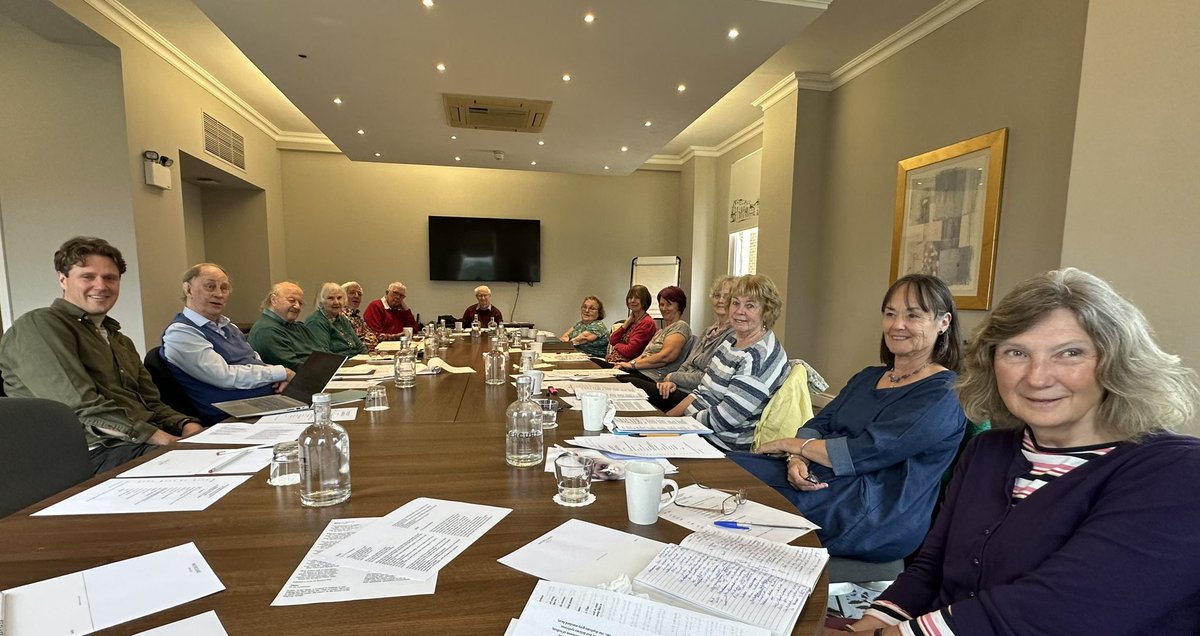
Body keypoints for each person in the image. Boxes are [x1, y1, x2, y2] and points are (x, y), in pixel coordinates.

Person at [839, 269, 1200, 636]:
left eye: (1069, 353)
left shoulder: (1178, 471)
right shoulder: (987, 451)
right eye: (1016, 352)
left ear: (1116, 361)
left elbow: (1057, 612)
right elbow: (930, 566)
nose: (1037, 377)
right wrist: (872, 623)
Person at [735, 274, 966, 562]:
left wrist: (795, 446)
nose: (897, 325)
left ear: (944, 323)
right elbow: (820, 423)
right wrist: (798, 458)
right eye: (890, 314)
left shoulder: (943, 394)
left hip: (874, 514)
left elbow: (866, 451)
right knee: (721, 470)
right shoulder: (868, 377)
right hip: (821, 481)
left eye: (913, 315)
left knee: (726, 483)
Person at [0, 237, 202, 473]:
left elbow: (151, 402)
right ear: (62, 279)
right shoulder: (40, 326)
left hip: (139, 441)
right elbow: (80, 407)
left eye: (110, 278)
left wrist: (186, 423)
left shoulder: (119, 339)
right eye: (88, 276)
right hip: (90, 452)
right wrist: (165, 440)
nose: (101, 285)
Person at [665, 274, 788, 451]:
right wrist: (666, 420)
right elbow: (701, 391)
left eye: (750, 305)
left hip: (720, 446)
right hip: (694, 431)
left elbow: (725, 418)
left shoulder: (759, 357)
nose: (739, 311)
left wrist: (674, 427)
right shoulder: (730, 341)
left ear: (767, 311)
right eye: (736, 303)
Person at [161, 263, 294, 425]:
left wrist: (278, 379)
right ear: (188, 289)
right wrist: (280, 373)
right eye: (210, 286)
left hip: (268, 402)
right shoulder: (181, 333)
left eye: (224, 288)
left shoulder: (230, 327)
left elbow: (255, 360)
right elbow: (224, 376)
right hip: (233, 417)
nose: (219, 294)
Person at [637, 276, 736, 411]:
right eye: (717, 295)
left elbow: (707, 378)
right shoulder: (708, 331)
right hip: (675, 386)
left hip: (694, 395)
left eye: (727, 297)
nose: (720, 300)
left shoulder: (733, 335)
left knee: (628, 384)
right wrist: (671, 382)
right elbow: (687, 363)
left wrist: (672, 377)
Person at [615, 286, 692, 381]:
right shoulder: (660, 331)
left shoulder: (680, 326)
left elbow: (665, 357)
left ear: (679, 306)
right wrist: (626, 365)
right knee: (603, 368)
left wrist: (632, 365)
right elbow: (645, 354)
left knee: (616, 380)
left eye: (669, 304)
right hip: (640, 372)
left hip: (654, 379)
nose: (664, 308)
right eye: (661, 304)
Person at [247, 281, 319, 371]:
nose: (297, 306)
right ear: (274, 300)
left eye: (300, 303)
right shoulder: (266, 331)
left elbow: (324, 354)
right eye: (292, 301)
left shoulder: (299, 327)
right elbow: (294, 367)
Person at [306, 282, 367, 357]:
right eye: (331, 298)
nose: (336, 302)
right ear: (322, 302)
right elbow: (323, 354)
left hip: (354, 362)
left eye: (339, 298)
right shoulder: (316, 322)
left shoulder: (342, 318)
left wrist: (366, 359)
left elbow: (360, 346)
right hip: (337, 365)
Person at [606, 285, 657, 363]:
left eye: (637, 298)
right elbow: (612, 340)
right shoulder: (632, 319)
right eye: (630, 298)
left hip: (629, 365)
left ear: (644, 301)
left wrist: (617, 346)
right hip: (614, 362)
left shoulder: (646, 323)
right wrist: (626, 324)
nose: (632, 300)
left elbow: (630, 351)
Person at [340, 281, 378, 351]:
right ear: (342, 296)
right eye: (352, 293)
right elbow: (349, 342)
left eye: (359, 294)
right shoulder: (339, 317)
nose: (356, 296)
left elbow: (372, 335)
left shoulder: (357, 317)